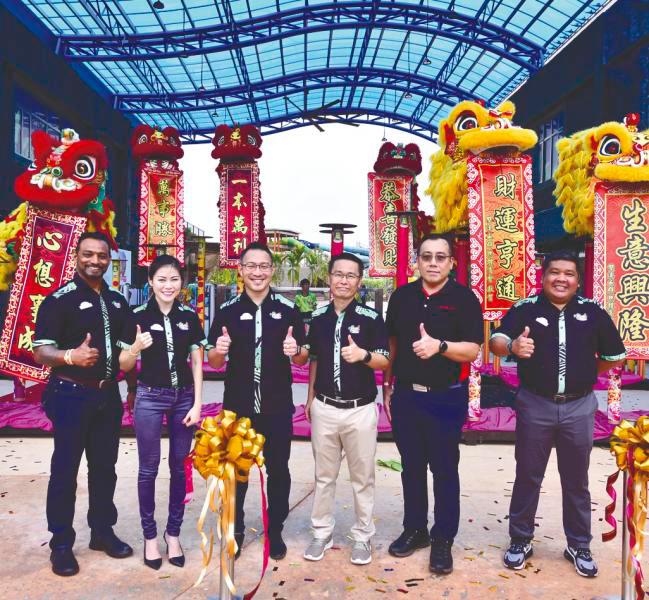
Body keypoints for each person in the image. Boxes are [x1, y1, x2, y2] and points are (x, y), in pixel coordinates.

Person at [490, 251, 626, 577]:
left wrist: (586, 373)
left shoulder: (593, 312)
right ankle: (521, 539)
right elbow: (496, 340)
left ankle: (578, 544)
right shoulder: (526, 309)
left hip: (579, 407)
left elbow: (614, 355)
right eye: (554, 272)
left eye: (568, 273)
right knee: (528, 476)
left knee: (576, 480)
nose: (561, 279)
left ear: (577, 280)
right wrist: (512, 348)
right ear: (543, 275)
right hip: (535, 404)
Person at [33, 232, 135, 577]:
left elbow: (127, 352)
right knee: (65, 470)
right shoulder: (58, 300)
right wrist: (70, 356)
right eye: (88, 254)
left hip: (108, 396)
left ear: (110, 259)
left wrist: (132, 388)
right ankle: (61, 543)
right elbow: (40, 350)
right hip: (70, 394)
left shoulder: (119, 301)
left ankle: (102, 533)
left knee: (105, 468)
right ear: (76, 256)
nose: (95, 261)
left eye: (102, 256)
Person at [383, 233, 483, 575]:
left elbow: (472, 350)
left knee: (443, 470)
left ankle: (443, 539)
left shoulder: (464, 299)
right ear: (418, 261)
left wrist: (439, 346)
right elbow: (393, 342)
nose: (433, 263)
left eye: (441, 257)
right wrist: (387, 385)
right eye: (427, 257)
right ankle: (415, 529)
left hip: (446, 396)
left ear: (451, 262)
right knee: (410, 467)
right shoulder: (401, 297)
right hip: (408, 395)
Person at [207, 241, 308, 560]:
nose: (257, 272)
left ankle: (275, 530)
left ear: (271, 270)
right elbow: (214, 362)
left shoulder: (289, 311)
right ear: (241, 269)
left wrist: (297, 352)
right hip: (238, 409)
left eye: (264, 266)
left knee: (279, 470)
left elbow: (303, 358)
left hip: (277, 408)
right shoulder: (227, 312)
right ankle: (235, 529)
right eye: (251, 266)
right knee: (237, 472)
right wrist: (219, 349)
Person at [120, 255, 206, 570]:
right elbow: (123, 364)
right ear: (151, 282)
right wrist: (134, 348)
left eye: (173, 279)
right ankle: (150, 537)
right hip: (149, 397)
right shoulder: (137, 316)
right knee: (149, 468)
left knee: (180, 468)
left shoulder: (189, 316)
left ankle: (173, 534)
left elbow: (197, 361)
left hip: (184, 398)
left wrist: (197, 403)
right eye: (161, 279)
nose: (168, 285)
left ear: (181, 283)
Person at [303, 252, 389, 565]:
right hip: (325, 407)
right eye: (338, 274)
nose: (343, 280)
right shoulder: (318, 318)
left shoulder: (370, 318)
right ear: (329, 278)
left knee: (362, 478)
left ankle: (363, 537)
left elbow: (384, 361)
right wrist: (311, 398)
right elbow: (313, 359)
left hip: (360, 410)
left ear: (359, 281)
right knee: (324, 477)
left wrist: (363, 355)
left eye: (350, 275)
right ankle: (321, 533)